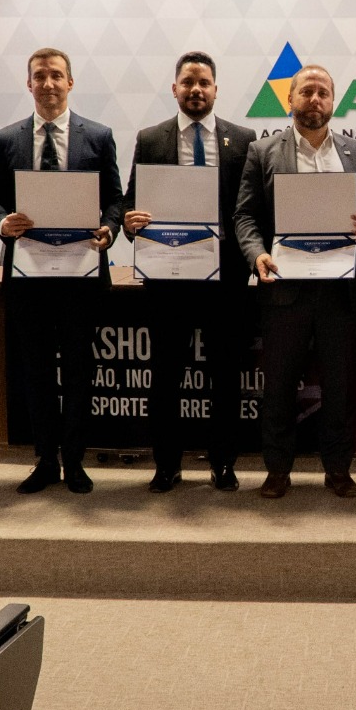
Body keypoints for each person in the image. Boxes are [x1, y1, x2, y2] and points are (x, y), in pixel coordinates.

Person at [233, 64, 356, 499]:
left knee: (340, 387)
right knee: (279, 387)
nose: (314, 99)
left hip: (340, 291)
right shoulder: (263, 152)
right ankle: (277, 470)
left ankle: (338, 470)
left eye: (323, 92)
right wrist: (256, 254)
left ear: (333, 101)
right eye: (306, 91)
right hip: (285, 290)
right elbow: (245, 215)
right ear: (290, 99)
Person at [0, 47, 122, 495]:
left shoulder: (98, 136)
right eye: (40, 76)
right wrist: (2, 222)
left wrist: (109, 229)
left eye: (56, 75)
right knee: (36, 370)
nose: (48, 83)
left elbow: (115, 199)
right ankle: (46, 460)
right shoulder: (7, 138)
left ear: (70, 82)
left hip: (81, 274)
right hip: (28, 273)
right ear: (29, 84)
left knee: (81, 370)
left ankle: (76, 461)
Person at [123, 51, 258, 493]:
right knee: (166, 375)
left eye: (203, 83)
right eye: (188, 82)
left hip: (226, 279)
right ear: (174, 89)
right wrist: (129, 220)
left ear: (216, 89)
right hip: (168, 276)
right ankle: (167, 465)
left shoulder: (243, 139)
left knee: (225, 375)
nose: (195, 90)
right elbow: (131, 201)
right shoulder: (150, 139)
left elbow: (250, 207)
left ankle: (223, 463)